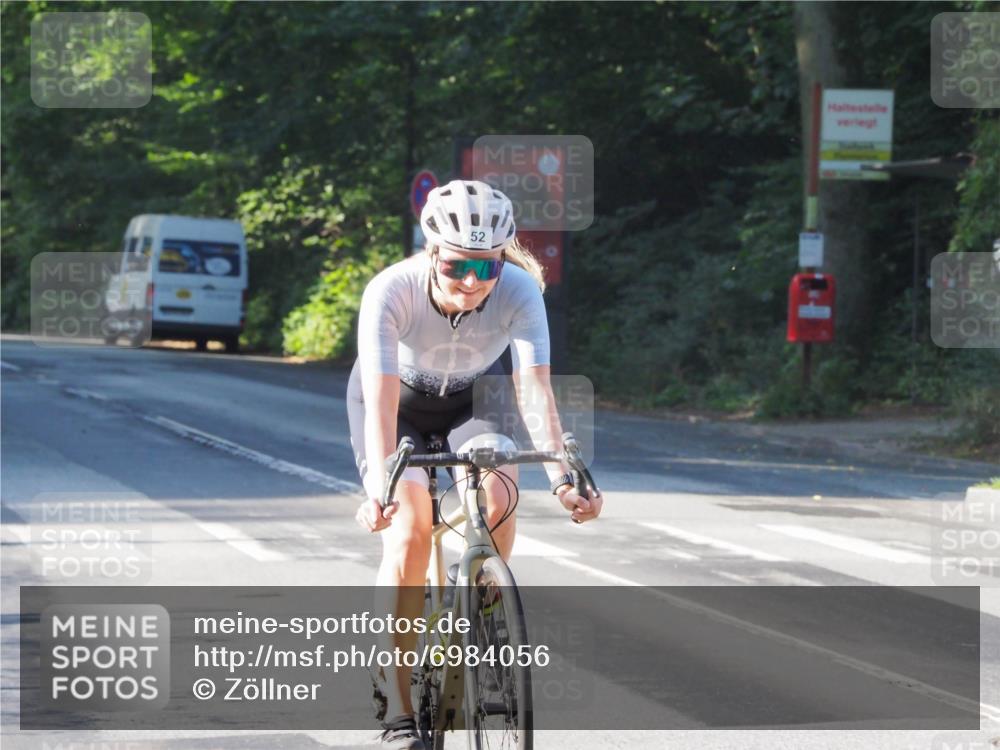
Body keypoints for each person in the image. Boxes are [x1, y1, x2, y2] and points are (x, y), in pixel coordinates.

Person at [348, 179, 603, 749]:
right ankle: (395, 706)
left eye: (486, 267)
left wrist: (564, 481)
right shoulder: (391, 290)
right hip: (397, 408)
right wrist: (380, 491)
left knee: (501, 489)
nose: (471, 281)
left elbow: (534, 389)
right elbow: (381, 402)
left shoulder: (520, 290)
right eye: (457, 266)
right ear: (431, 252)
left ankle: (483, 612)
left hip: (471, 402)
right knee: (410, 532)